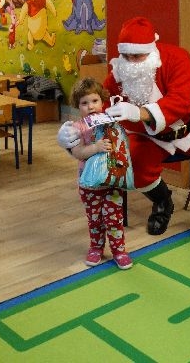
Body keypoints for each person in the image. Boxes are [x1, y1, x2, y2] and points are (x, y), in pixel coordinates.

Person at [58, 17, 190, 266]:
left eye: (137, 56)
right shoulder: (120, 71)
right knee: (134, 164)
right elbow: (98, 105)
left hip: (189, 127)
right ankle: (163, 201)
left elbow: (180, 101)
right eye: (127, 56)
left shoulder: (177, 58)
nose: (132, 62)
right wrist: (73, 133)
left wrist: (140, 113)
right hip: (148, 136)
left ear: (150, 49)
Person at [69, 76, 133, 270]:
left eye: (94, 101)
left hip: (113, 179)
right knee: (94, 218)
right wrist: (95, 147)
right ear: (77, 105)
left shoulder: (110, 122)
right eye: (84, 103)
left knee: (114, 218)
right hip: (89, 183)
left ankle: (119, 250)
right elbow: (77, 152)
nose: (90, 106)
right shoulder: (78, 127)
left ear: (103, 101)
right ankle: (96, 247)